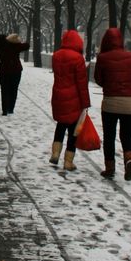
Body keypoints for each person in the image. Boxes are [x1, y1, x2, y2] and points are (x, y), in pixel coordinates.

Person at [94, 27, 131, 180]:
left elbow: (98, 79)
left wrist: (110, 85)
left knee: (109, 136)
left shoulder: (102, 58)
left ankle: (110, 168)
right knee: (127, 135)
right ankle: (129, 160)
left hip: (110, 102)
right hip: (130, 103)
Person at [50, 29, 91, 171]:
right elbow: (82, 84)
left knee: (61, 125)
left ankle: (55, 153)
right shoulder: (78, 58)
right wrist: (86, 103)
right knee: (74, 130)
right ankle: (68, 161)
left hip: (58, 95)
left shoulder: (56, 55)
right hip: (74, 99)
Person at [0, 32, 29, 116]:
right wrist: (18, 41)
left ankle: (4, 110)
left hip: (4, 72)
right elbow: (26, 46)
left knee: (4, 90)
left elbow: (0, 58)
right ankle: (10, 108)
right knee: (13, 90)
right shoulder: (14, 46)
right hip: (15, 71)